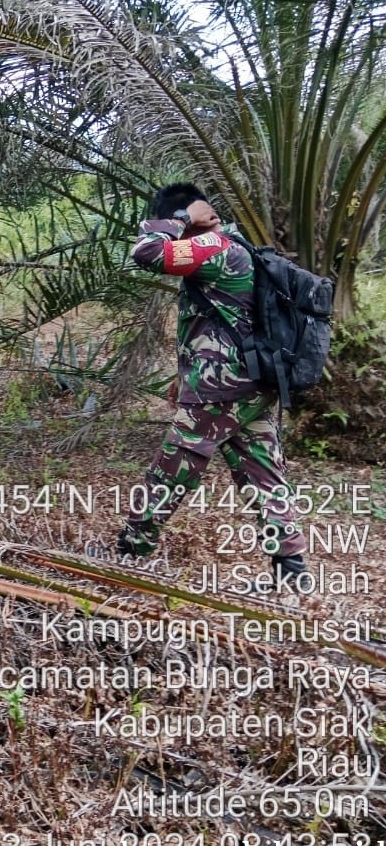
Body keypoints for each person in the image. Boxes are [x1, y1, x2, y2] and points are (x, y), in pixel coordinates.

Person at [116, 183, 308, 588]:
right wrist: (182, 376)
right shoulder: (235, 249)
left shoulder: (213, 246)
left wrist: (184, 218)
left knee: (173, 467)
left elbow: (146, 251)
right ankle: (292, 574)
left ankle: (131, 552)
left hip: (221, 389)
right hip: (251, 382)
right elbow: (222, 321)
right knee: (264, 475)